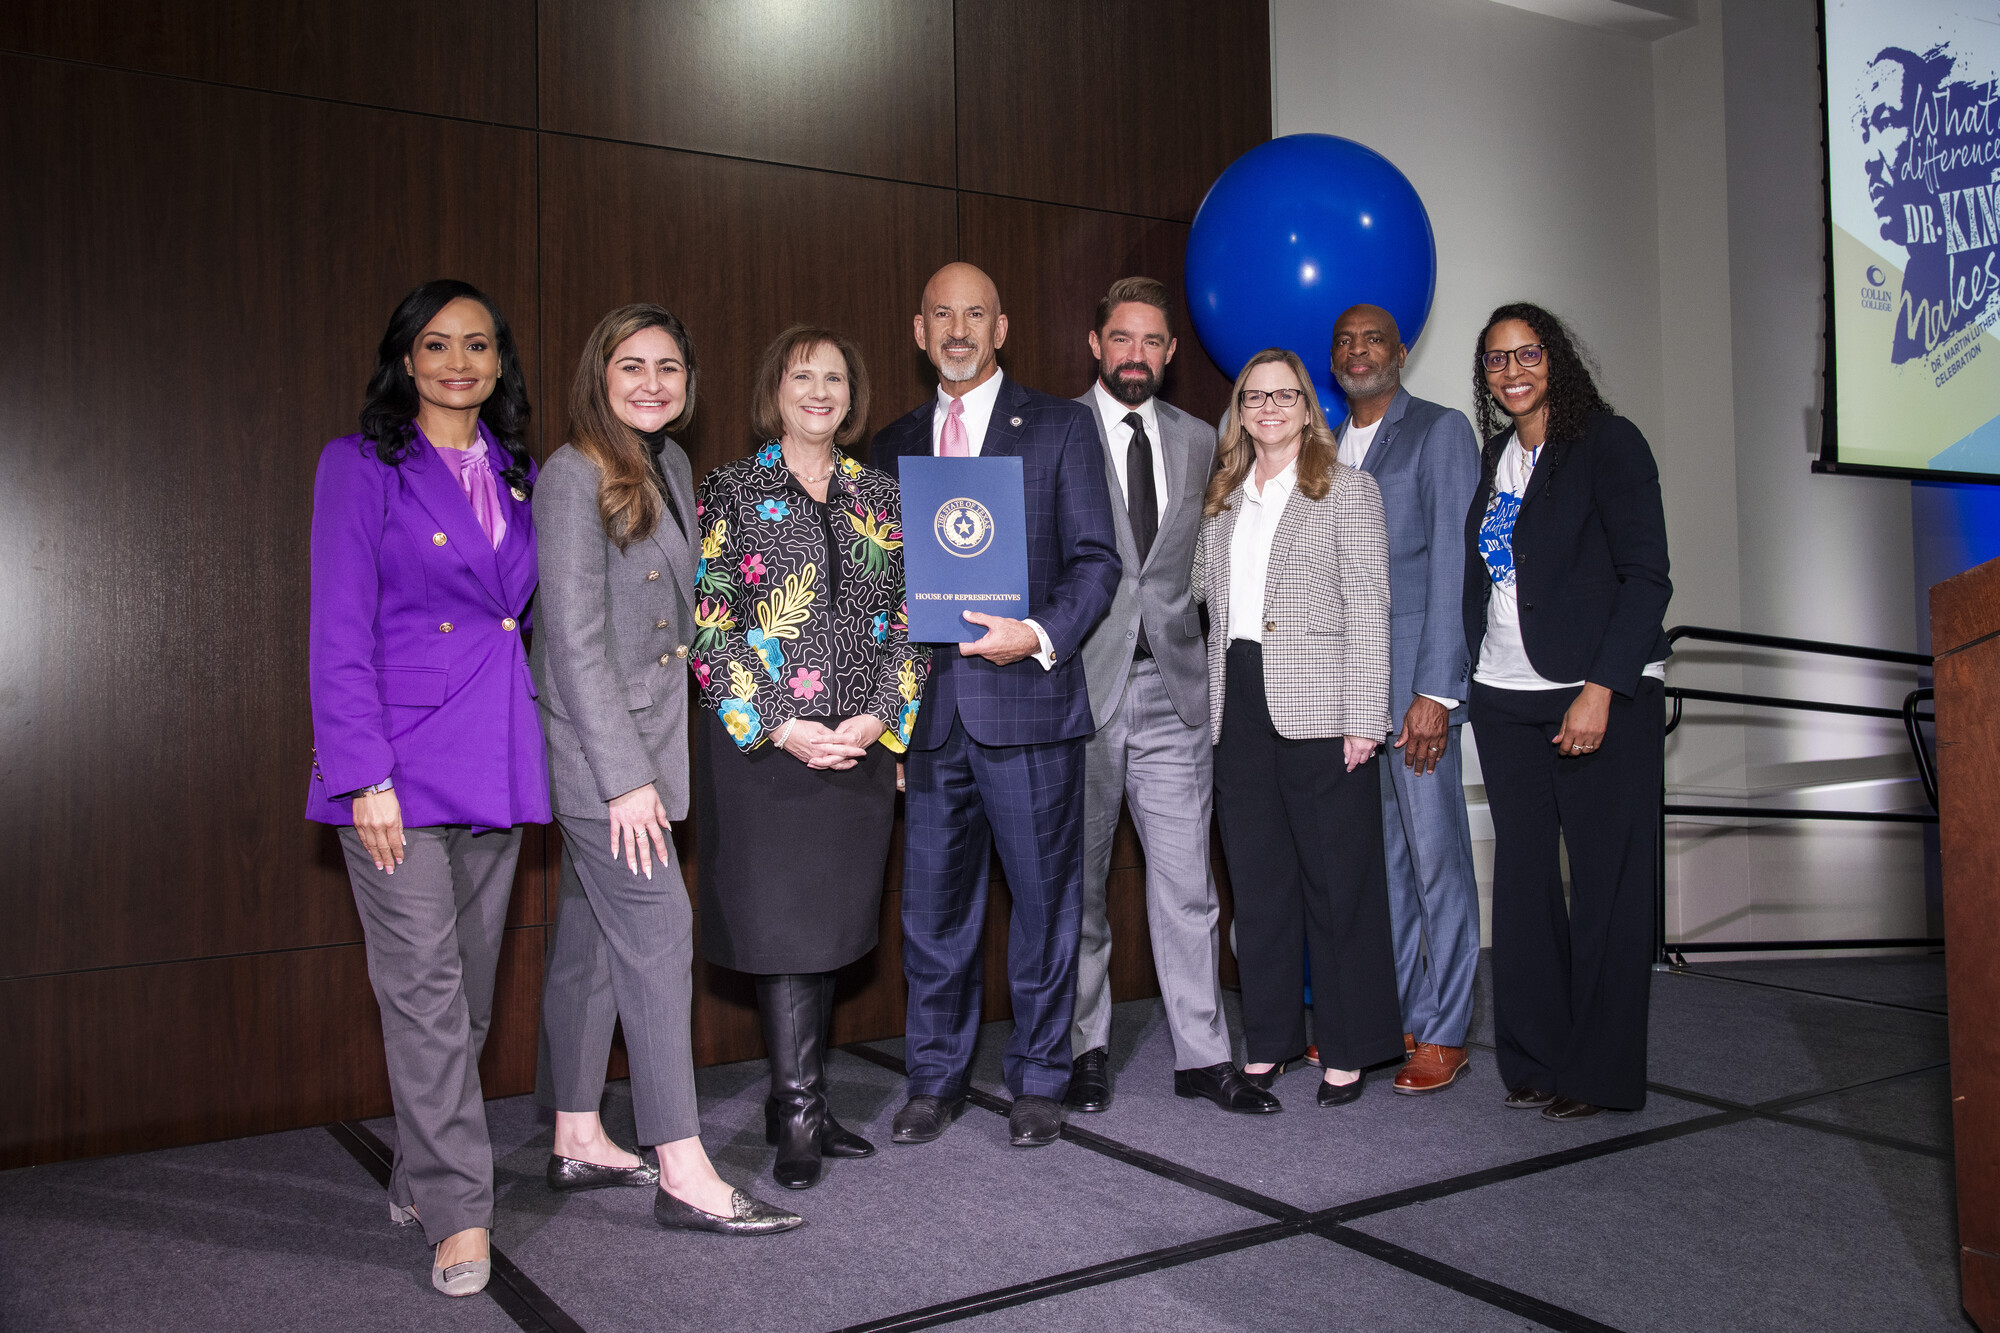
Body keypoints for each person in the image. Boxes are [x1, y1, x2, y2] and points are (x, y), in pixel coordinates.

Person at [530, 303, 801, 1233]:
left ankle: (574, 1131)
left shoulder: (670, 465)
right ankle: (683, 1167)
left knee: (591, 934)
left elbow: (681, 624)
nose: (652, 383)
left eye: (669, 369)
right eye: (632, 365)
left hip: (651, 746)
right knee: (658, 934)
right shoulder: (573, 474)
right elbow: (568, 638)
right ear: (598, 375)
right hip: (606, 758)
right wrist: (622, 777)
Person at [307, 279, 547, 1296]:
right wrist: (361, 772)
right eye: (439, 344)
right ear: (405, 359)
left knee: (470, 998)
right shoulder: (360, 465)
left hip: (495, 756)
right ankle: (459, 1211)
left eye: (479, 345)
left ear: (498, 364)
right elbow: (337, 625)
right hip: (397, 766)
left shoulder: (520, 470)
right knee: (425, 997)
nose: (460, 361)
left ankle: (419, 1163)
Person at [872, 262, 1120, 1148]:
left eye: (976, 313)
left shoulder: (1059, 427)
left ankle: (1041, 1076)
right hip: (931, 722)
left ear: (1002, 327)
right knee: (932, 911)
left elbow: (1097, 561)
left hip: (1030, 708)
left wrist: (1038, 633)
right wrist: (886, 718)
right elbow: (874, 591)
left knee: (1046, 905)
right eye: (943, 314)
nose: (959, 329)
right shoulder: (888, 444)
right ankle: (932, 1076)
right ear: (919, 328)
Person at [692, 325, 929, 1189]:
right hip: (768, 751)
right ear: (776, 389)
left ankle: (808, 1100)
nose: (820, 391)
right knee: (785, 931)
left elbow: (912, 626)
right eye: (803, 376)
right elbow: (707, 624)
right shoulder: (729, 488)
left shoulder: (884, 499)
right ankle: (796, 1109)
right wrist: (783, 724)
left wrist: (876, 720)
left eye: (835, 376)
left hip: (859, 746)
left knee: (828, 930)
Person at [1065, 278, 1275, 1117]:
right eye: (1122, 339)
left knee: (1189, 882)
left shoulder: (1200, 441)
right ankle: (1085, 1048)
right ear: (1096, 344)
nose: (1137, 356)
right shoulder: (1053, 431)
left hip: (1175, 692)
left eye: (1153, 342)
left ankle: (1203, 1052)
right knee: (1077, 887)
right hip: (1080, 692)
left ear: (1171, 353)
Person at [1462, 302, 1671, 1121]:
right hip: (1506, 696)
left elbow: (1647, 576)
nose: (1511, 372)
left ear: (1558, 359)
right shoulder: (1497, 457)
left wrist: (1600, 689)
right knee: (1521, 886)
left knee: (1607, 889)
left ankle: (1601, 1074)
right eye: (1495, 360)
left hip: (1597, 696)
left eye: (1527, 354)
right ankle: (1537, 1059)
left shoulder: (1609, 444)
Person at [1192, 348, 1402, 1108]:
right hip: (1238, 701)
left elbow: (1370, 607)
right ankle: (1273, 1039)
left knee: (1336, 883)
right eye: (1255, 397)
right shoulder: (1221, 496)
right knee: (1260, 883)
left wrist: (1364, 718)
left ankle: (1349, 1045)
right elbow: (1199, 598)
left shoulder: (1347, 489)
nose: (1269, 408)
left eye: (1285, 396)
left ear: (1309, 407)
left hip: (1322, 708)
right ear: (1241, 409)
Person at [1329, 304, 1482, 1096]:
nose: (1360, 352)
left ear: (1403, 350)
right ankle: (1396, 1016)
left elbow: (1457, 566)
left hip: (1416, 686)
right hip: (1351, 690)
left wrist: (1436, 692)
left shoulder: (1440, 431)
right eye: (1346, 342)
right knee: (1380, 862)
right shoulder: (1326, 445)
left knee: (1436, 858)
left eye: (1373, 340)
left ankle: (1448, 1027)